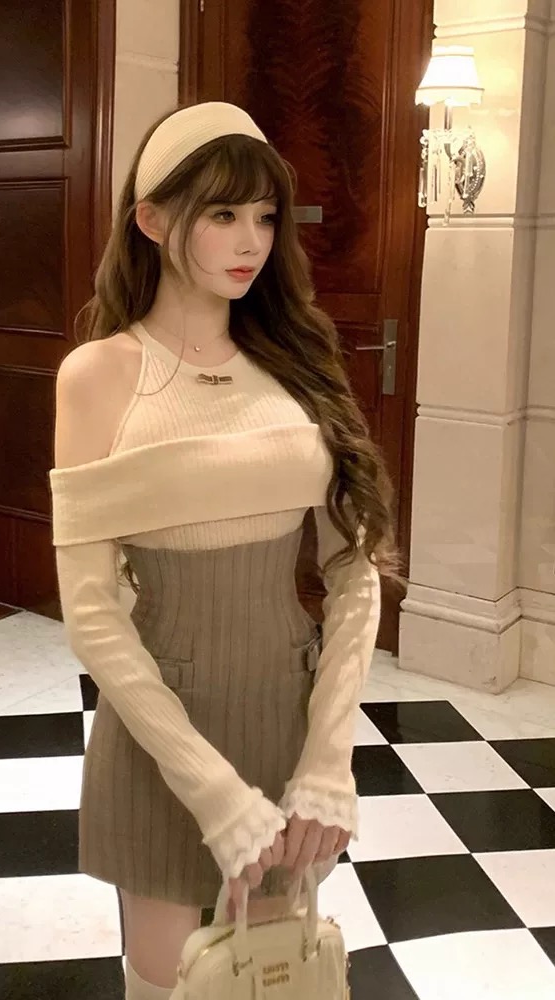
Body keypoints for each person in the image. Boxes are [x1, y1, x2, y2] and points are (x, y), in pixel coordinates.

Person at [50, 102, 401, 1000]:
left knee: (271, 977)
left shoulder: (296, 361)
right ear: (152, 220)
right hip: (160, 732)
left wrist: (329, 757)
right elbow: (91, 612)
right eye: (222, 213)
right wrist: (213, 791)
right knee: (171, 985)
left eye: (265, 216)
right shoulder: (100, 377)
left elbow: (354, 571)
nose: (251, 241)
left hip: (286, 715)